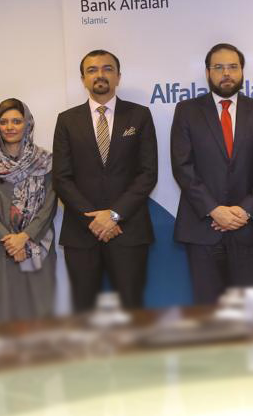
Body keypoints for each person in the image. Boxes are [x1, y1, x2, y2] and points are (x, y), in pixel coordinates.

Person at [170, 43, 253, 304]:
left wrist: (245, 211)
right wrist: (214, 210)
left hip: (250, 229)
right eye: (218, 67)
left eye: (233, 67)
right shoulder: (187, 111)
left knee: (251, 309)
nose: (226, 73)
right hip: (202, 229)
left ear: (242, 72)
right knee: (209, 310)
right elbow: (182, 166)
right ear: (208, 73)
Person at [53, 49, 158, 312]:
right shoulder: (66, 120)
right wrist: (94, 220)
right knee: (84, 311)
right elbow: (62, 178)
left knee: (132, 309)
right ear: (83, 79)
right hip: (82, 233)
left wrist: (113, 215)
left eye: (107, 68)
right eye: (92, 70)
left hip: (128, 230)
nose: (100, 74)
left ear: (118, 76)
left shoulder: (139, 115)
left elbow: (148, 173)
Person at [0, 98, 58, 322]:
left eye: (16, 121)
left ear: (27, 124)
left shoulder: (45, 162)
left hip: (38, 245)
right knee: (3, 315)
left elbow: (49, 205)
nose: (9, 127)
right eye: (3, 122)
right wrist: (10, 241)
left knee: (40, 313)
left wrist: (24, 237)